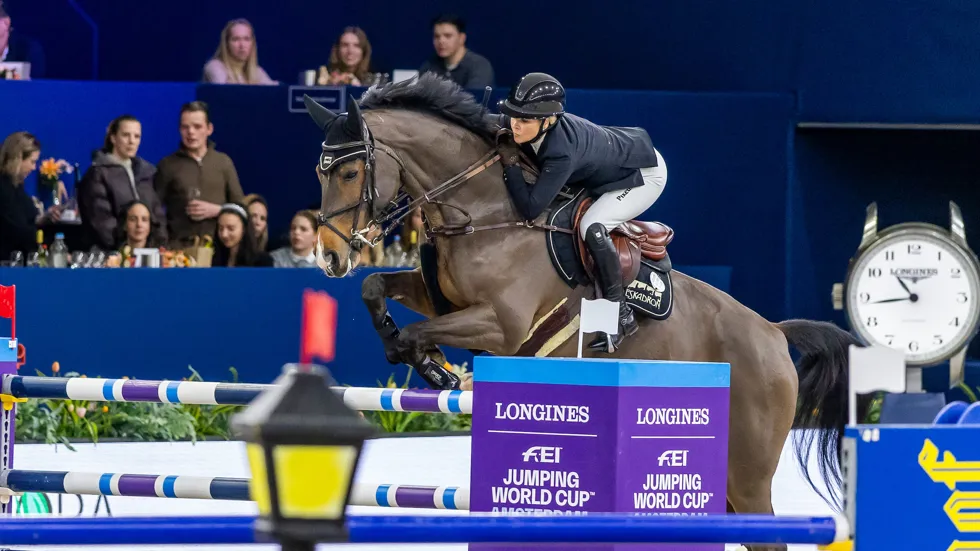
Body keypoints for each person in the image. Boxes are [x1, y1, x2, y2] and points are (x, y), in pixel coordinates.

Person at [492, 73, 668, 353]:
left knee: (592, 225)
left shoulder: (561, 153)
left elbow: (529, 209)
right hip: (610, 160)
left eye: (524, 120)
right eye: (512, 116)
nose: (515, 124)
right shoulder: (528, 125)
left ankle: (619, 312)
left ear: (548, 121)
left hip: (643, 174)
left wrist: (511, 164)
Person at [77, 115, 167, 250]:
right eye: (126, 135)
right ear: (113, 138)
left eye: (137, 136)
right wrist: (124, 250)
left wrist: (157, 246)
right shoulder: (98, 174)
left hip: (148, 256)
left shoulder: (146, 173)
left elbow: (157, 215)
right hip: (112, 256)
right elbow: (101, 221)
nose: (132, 141)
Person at [0, 131, 60, 261]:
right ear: (18, 158)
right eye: (32, 162)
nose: (34, 168)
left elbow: (26, 219)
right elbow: (17, 230)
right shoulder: (4, 189)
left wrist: (43, 218)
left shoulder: (15, 186)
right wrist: (53, 249)